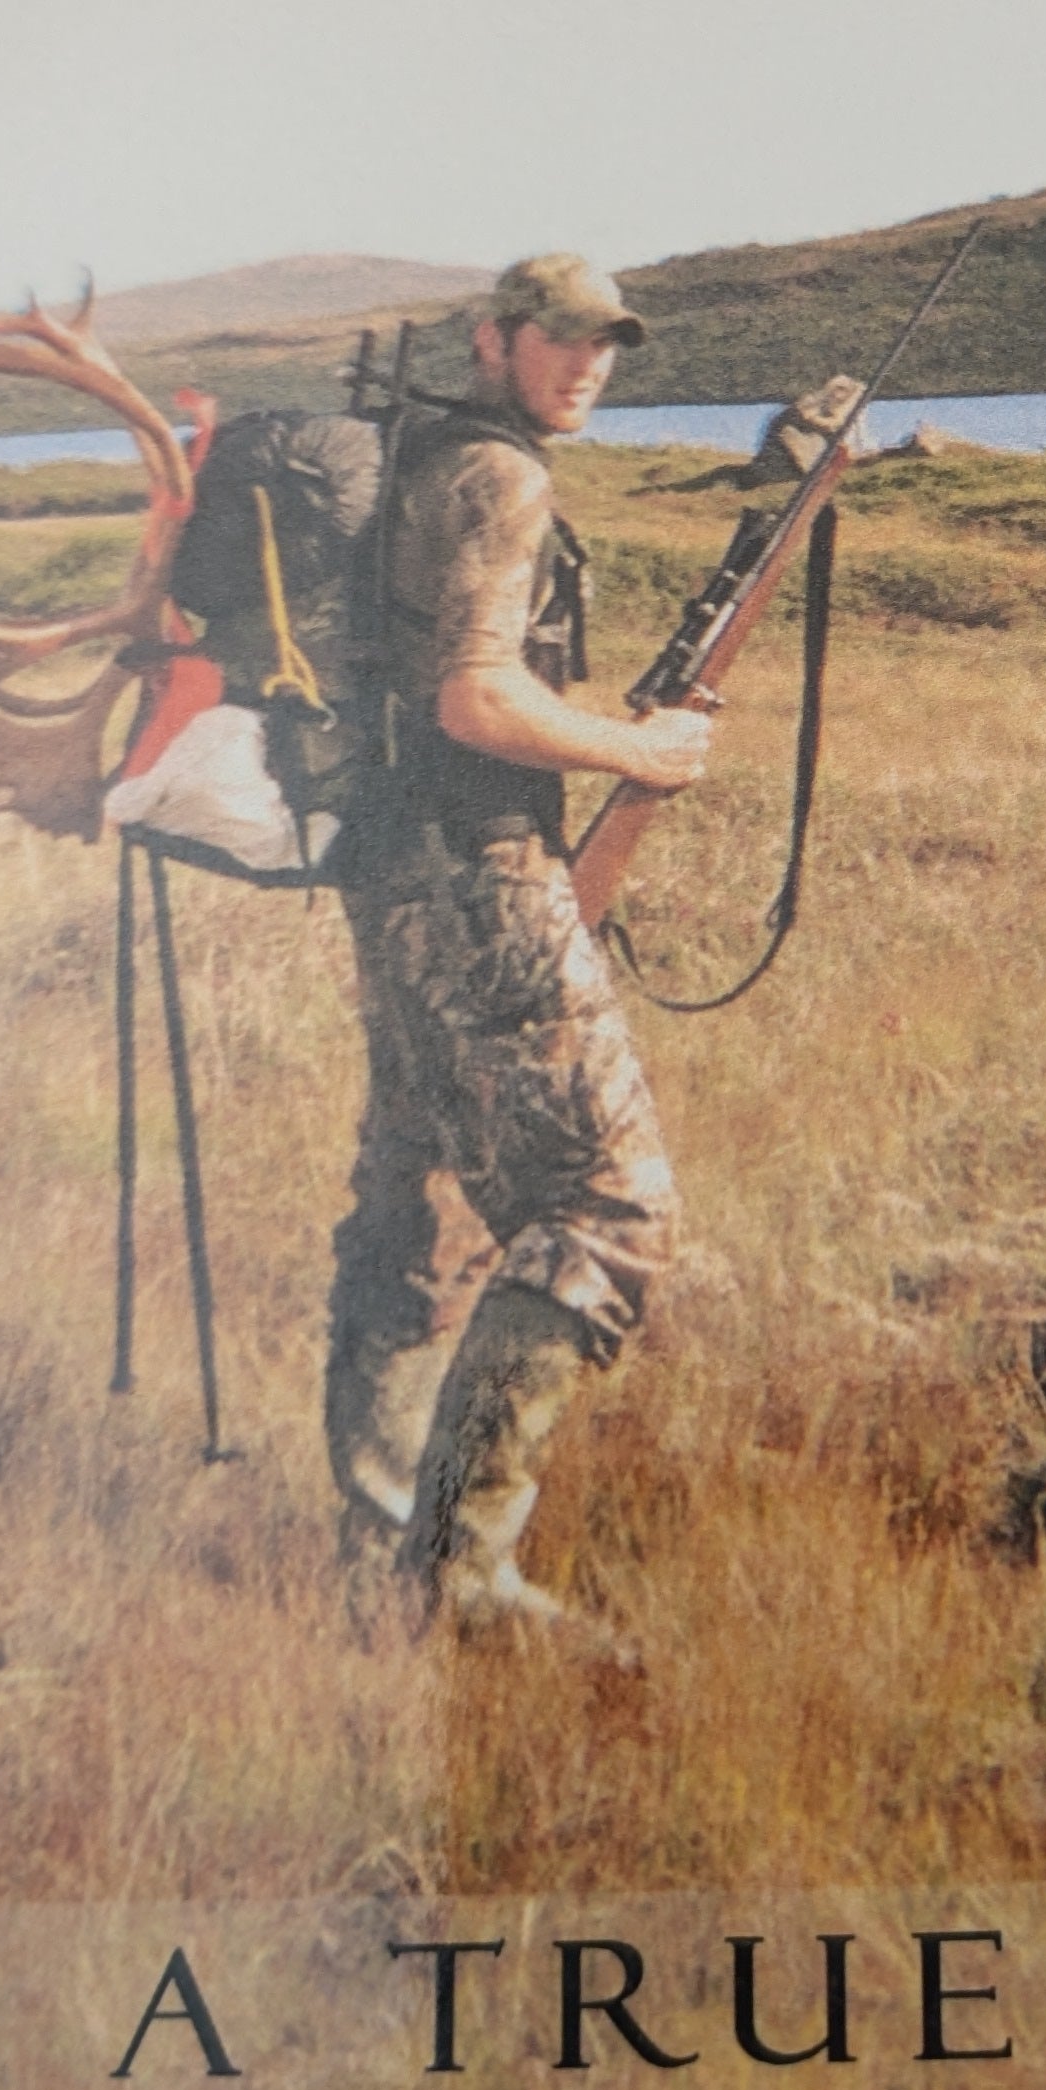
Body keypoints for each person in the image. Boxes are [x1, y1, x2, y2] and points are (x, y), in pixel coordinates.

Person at [325, 252, 714, 1643]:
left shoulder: (420, 452)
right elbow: (476, 701)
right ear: (495, 340)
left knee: (417, 1195)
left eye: (606, 345)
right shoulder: (499, 476)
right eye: (561, 338)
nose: (588, 365)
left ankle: (376, 1534)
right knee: (611, 1212)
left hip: (391, 867)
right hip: (475, 873)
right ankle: (459, 1572)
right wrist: (639, 750)